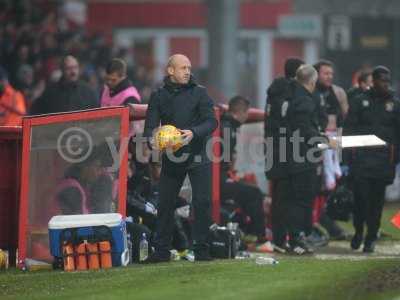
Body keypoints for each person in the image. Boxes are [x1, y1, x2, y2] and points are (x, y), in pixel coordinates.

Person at [143, 54, 217, 262]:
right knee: (165, 203)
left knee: (202, 203)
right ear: (170, 71)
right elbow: (150, 127)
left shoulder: (200, 93)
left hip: (198, 154)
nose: (187, 71)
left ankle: (202, 250)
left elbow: (212, 122)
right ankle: (161, 251)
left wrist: (193, 132)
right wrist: (152, 140)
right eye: (183, 68)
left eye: (189, 67)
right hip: (173, 157)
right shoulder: (158, 95)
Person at [344, 66, 400, 253]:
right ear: (374, 81)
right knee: (360, 199)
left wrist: (395, 158)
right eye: (382, 80)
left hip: (384, 160)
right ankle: (359, 231)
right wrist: (347, 159)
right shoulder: (360, 102)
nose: (385, 84)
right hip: (362, 158)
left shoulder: (395, 104)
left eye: (387, 80)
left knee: (377, 202)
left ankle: (371, 237)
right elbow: (349, 129)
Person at [286, 64, 337, 254]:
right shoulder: (304, 101)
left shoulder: (290, 95)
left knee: (297, 199)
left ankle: (297, 237)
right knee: (302, 200)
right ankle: (298, 239)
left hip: (291, 154)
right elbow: (305, 130)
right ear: (313, 81)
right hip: (302, 156)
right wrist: (324, 139)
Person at [264, 57, 304, 252]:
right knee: (287, 197)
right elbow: (288, 123)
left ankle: (280, 238)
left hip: (273, 148)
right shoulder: (290, 92)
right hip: (287, 150)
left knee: (279, 196)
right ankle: (285, 239)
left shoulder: (274, 91)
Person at [220, 96, 267, 247]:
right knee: (254, 193)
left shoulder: (224, 124)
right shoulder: (228, 128)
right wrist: (229, 173)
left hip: (217, 178)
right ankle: (257, 235)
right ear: (242, 112)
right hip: (216, 181)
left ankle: (248, 231)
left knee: (248, 190)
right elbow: (226, 158)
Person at [30, 55, 99, 115]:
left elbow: (96, 113)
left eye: (75, 67)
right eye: (69, 68)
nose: (73, 72)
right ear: (62, 70)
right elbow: (36, 112)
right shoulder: (51, 92)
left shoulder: (88, 91)